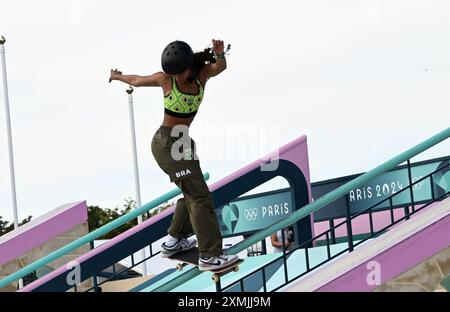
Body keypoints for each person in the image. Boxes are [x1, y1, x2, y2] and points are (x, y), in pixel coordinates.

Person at [109, 39, 238, 271]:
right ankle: (210, 255)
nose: (176, 77)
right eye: (173, 73)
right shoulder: (164, 79)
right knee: (199, 197)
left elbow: (221, 67)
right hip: (166, 143)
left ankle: (174, 240)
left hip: (184, 143)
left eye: (179, 73)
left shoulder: (202, 76)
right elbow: (137, 81)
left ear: (189, 66)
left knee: (195, 193)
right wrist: (119, 76)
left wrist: (219, 54)